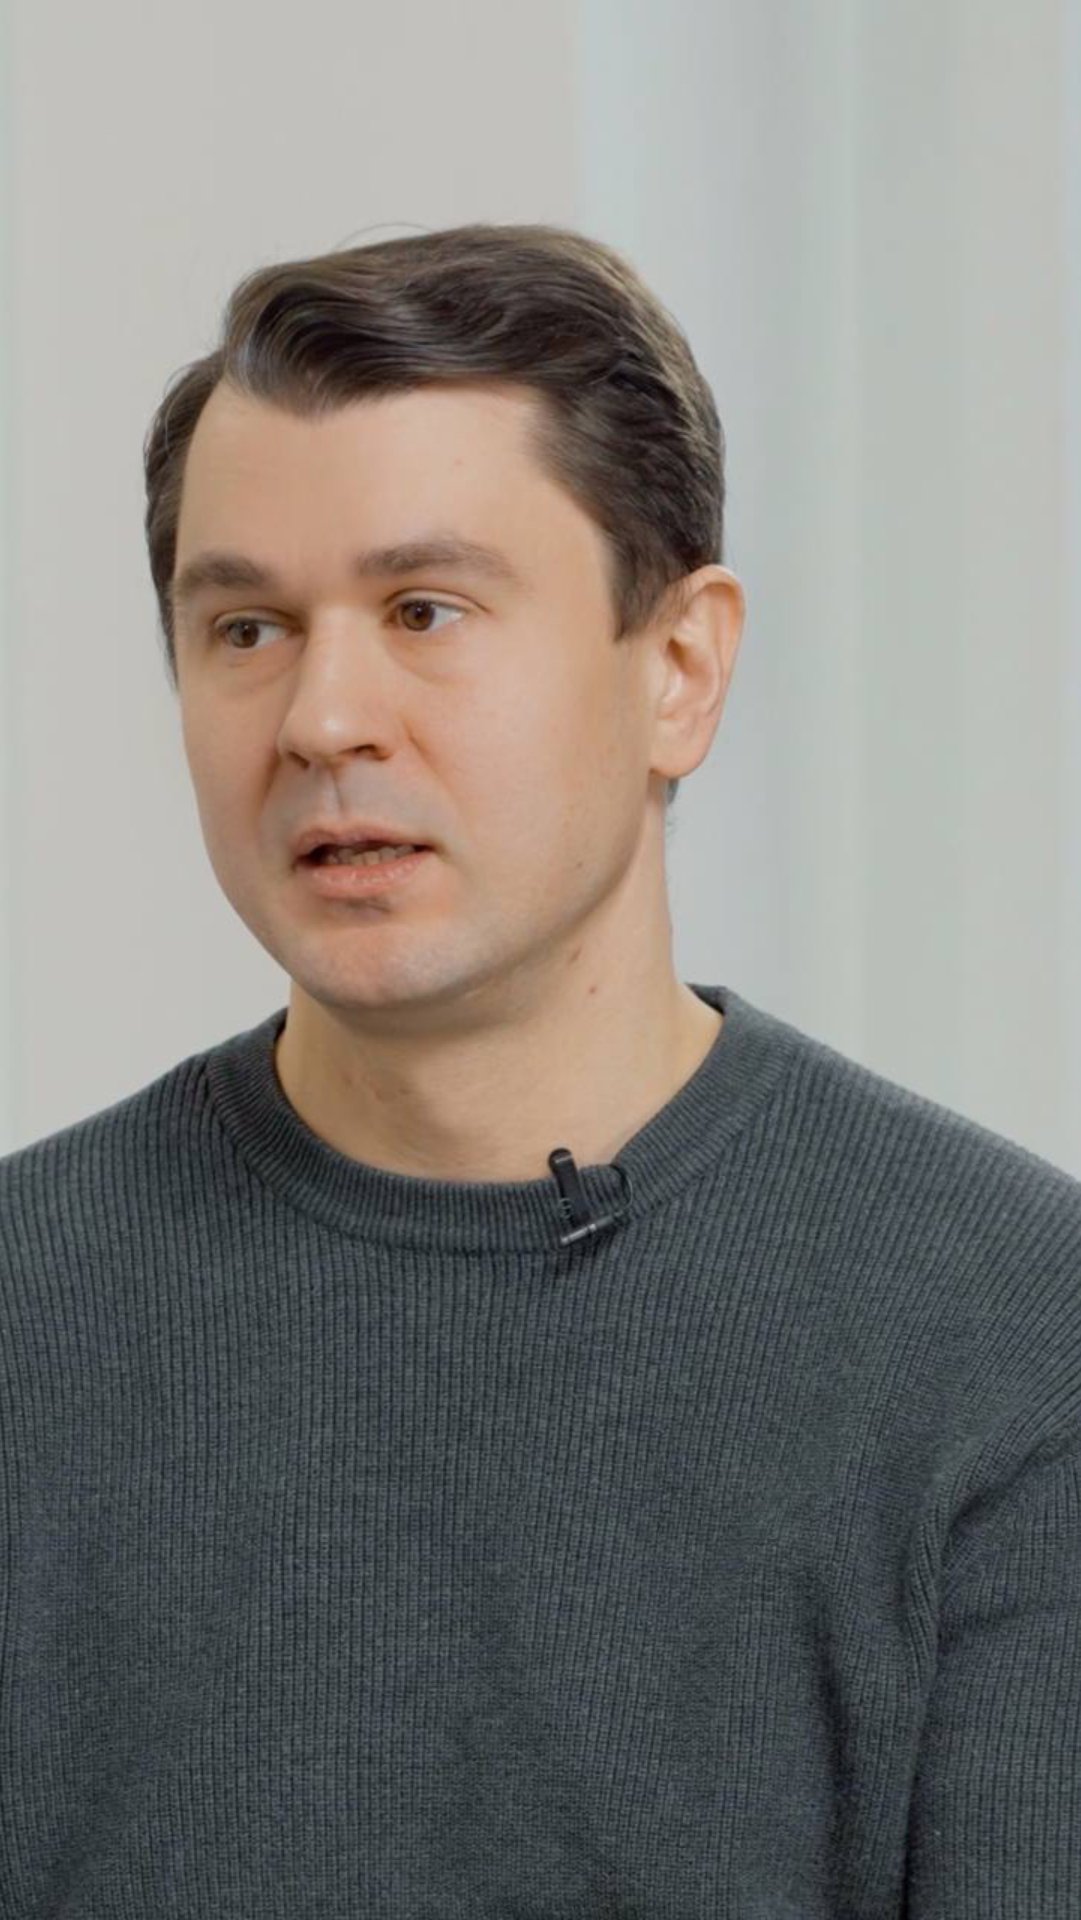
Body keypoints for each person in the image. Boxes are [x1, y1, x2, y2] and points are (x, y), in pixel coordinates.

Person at [1, 220, 1079, 1919]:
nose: (321, 718)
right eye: (247, 628)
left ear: (680, 670)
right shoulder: (29, 1310)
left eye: (424, 610)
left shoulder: (1009, 1332)